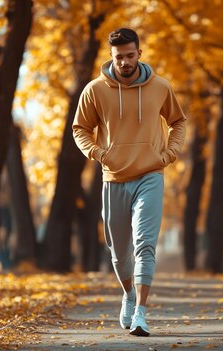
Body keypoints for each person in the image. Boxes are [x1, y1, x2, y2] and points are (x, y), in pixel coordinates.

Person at [72, 27, 187, 337]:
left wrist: (169, 154)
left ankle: (141, 313)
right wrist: (97, 153)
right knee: (119, 253)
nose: (124, 62)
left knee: (145, 245)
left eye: (129, 55)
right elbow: (79, 128)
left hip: (151, 174)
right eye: (118, 57)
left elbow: (178, 122)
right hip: (114, 178)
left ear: (140, 53)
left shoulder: (160, 87)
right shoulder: (95, 90)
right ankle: (128, 294)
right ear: (112, 57)